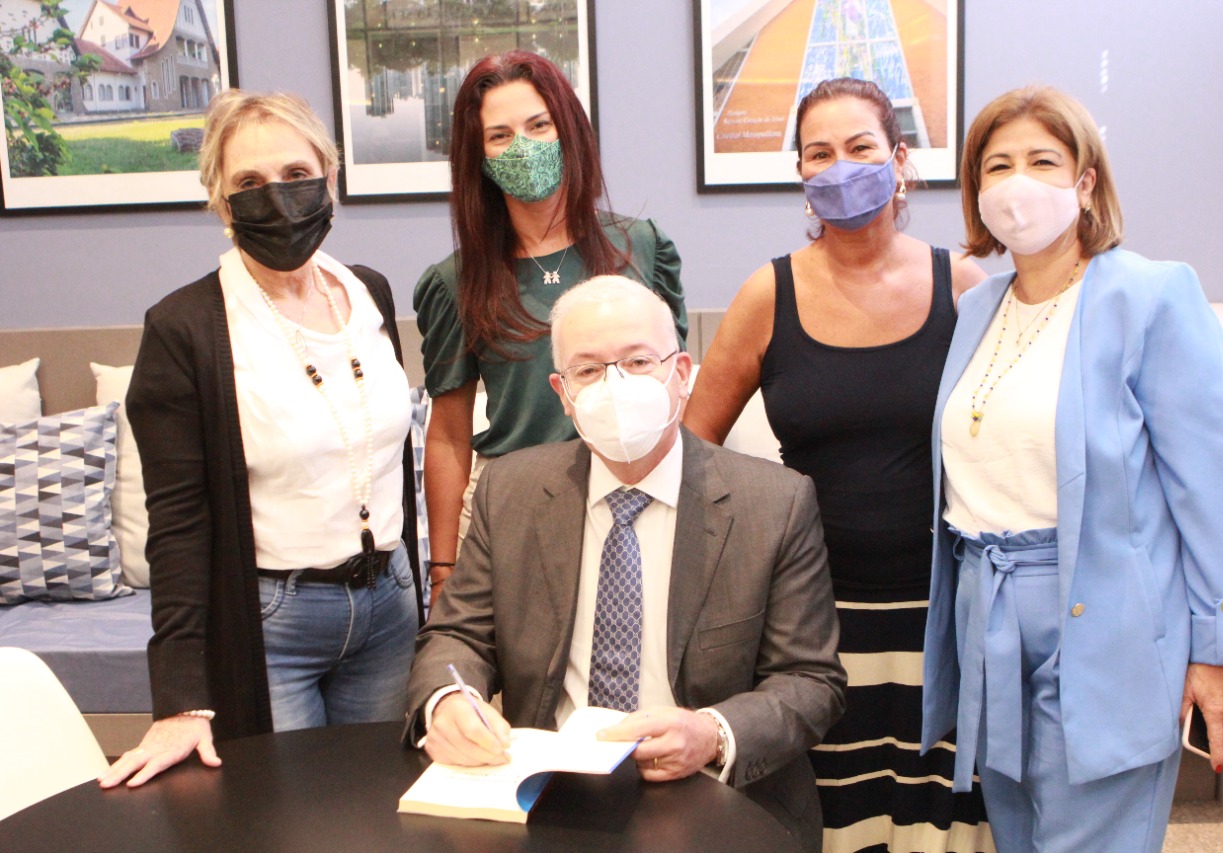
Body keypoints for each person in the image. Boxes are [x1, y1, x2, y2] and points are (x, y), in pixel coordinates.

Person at [922, 85, 1223, 852]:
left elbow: (1207, 490)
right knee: (1016, 832)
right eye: (997, 165)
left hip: (1104, 617)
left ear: (1085, 183)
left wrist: (1220, 646)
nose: (1017, 182)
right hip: (990, 613)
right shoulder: (978, 308)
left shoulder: (1150, 295)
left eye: (1043, 161)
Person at [407, 276, 846, 852]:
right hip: (552, 794)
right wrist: (447, 701)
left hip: (713, 791)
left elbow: (811, 681)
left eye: (638, 362)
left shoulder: (774, 503)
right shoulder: (510, 491)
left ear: (681, 373)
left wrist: (713, 732)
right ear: (563, 393)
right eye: (588, 370)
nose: (615, 387)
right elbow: (456, 636)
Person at [684, 78, 990, 852]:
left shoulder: (964, 286)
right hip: (812, 624)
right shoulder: (769, 293)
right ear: (800, 172)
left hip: (941, 610)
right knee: (835, 817)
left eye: (860, 147)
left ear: (899, 159)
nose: (841, 167)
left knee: (937, 819)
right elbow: (694, 451)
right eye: (819, 153)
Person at [99, 90, 423, 789]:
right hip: (276, 624)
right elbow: (177, 523)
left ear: (328, 177)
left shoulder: (369, 293)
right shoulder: (184, 328)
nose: (277, 197)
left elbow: (385, 455)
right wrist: (181, 698)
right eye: (249, 182)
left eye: (295, 174)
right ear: (222, 203)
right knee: (287, 819)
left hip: (390, 607)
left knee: (384, 805)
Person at [414, 51, 686, 606]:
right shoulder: (456, 282)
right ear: (478, 156)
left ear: (569, 130)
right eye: (500, 135)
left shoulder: (641, 247)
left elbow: (679, 390)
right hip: (514, 509)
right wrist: (443, 570)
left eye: (539, 125)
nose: (524, 146)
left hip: (638, 500)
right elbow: (446, 436)